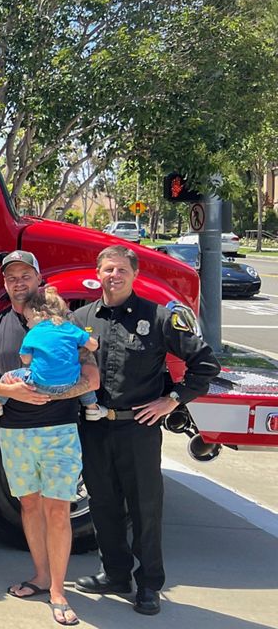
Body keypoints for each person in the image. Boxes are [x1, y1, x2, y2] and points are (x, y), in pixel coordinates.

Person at [71, 245, 220, 616]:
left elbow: (205, 365)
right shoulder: (79, 319)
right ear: (98, 272)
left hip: (138, 430)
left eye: (122, 269)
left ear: (135, 275)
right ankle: (116, 574)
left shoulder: (159, 318)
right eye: (108, 269)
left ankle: (149, 583)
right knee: (103, 505)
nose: (114, 276)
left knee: (145, 510)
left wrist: (172, 400)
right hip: (93, 428)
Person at [0, 251, 99, 626]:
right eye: (12, 277)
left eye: (26, 275)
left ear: (38, 279)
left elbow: (91, 379)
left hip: (60, 431)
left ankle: (59, 590)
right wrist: (13, 392)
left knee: (58, 509)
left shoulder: (64, 321)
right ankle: (41, 576)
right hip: (14, 434)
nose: (18, 282)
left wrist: (47, 394)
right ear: (5, 283)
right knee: (29, 505)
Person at [0, 285, 102, 422]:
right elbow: (93, 345)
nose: (28, 324)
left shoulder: (32, 334)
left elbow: (25, 359)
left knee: (7, 377)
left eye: (29, 319)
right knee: (84, 379)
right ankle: (92, 408)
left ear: (40, 315)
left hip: (40, 384)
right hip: (70, 382)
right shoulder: (69, 327)